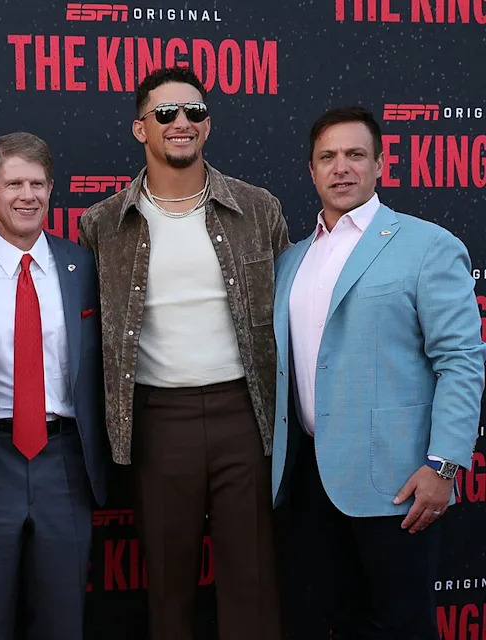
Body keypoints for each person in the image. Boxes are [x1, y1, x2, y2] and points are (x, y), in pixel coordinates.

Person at [77, 66, 289, 640]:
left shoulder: (258, 208)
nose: (182, 123)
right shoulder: (102, 224)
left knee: (252, 585)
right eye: (166, 113)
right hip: (156, 420)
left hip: (245, 416)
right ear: (139, 129)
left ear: (208, 124)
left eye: (193, 112)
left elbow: (294, 314)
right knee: (167, 590)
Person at [272, 105, 485, 639]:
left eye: (355, 155)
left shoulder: (428, 246)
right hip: (306, 486)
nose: (341, 167)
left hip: (398, 485)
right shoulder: (290, 261)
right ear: (311, 171)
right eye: (328, 157)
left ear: (381, 164)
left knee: (402, 626)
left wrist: (444, 465)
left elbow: (460, 359)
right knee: (328, 625)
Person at [0, 132, 107, 640]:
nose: (27, 196)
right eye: (13, 184)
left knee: (62, 622)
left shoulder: (84, 268)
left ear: (52, 189)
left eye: (38, 183)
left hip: (65, 462)